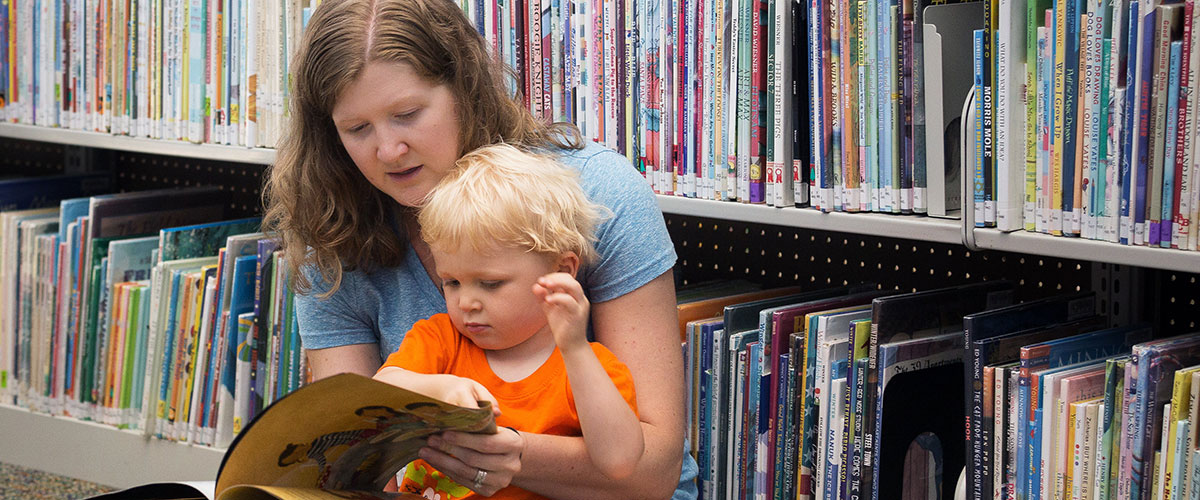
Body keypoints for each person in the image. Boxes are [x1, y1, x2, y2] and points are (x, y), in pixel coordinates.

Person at [264, 0, 698, 498]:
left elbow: (654, 472)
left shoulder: (598, 193)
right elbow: (351, 456)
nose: (388, 151)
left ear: (463, 89)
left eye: (407, 115)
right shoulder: (334, 233)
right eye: (357, 129)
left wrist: (512, 454)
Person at [373, 144, 645, 499]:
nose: (466, 302)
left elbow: (620, 462)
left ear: (562, 272)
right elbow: (378, 394)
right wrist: (438, 390)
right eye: (451, 282)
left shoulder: (586, 367)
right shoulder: (440, 340)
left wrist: (575, 348)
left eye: (490, 284)